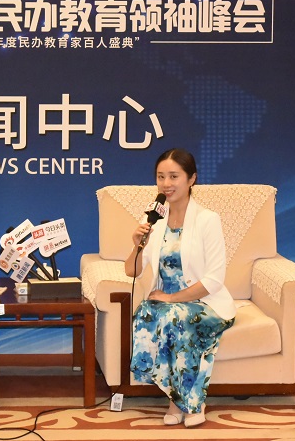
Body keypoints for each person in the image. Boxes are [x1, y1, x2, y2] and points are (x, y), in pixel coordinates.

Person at [124, 148, 235, 428]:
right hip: (165, 300)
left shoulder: (207, 219)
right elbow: (131, 271)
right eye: (160, 177)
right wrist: (137, 244)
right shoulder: (154, 219)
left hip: (206, 301)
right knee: (146, 312)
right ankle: (177, 399)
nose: (166, 184)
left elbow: (214, 280)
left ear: (191, 179)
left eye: (174, 176)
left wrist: (172, 298)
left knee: (176, 317)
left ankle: (188, 403)